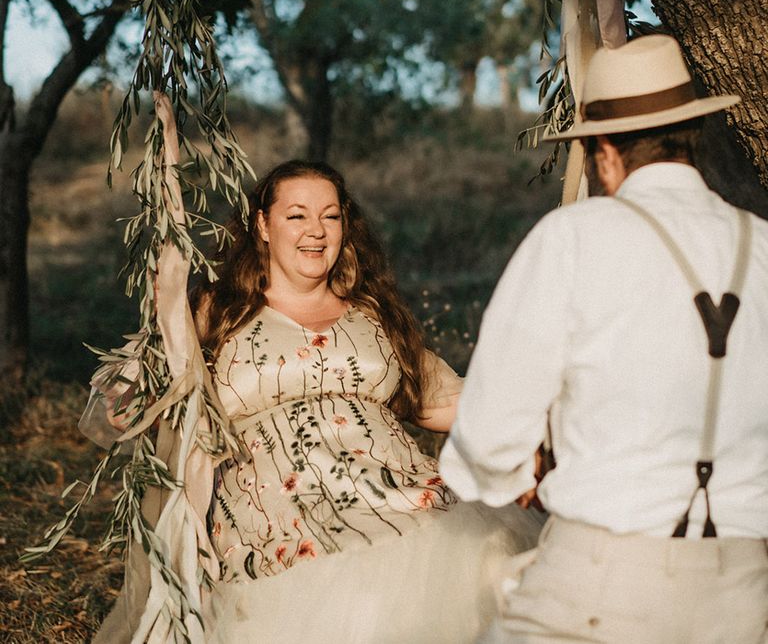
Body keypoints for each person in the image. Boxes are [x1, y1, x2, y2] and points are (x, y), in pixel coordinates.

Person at [93, 94, 543, 643]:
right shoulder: (215, 311)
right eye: (297, 215)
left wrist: (539, 420)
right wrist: (128, 402)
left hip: (395, 494)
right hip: (279, 517)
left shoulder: (372, 315)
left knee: (480, 569)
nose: (316, 230)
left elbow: (444, 401)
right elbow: (136, 386)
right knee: (349, 603)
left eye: (331, 216)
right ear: (262, 225)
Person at [439, 34, 768, 643]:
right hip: (743, 589)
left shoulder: (575, 238)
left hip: (604, 578)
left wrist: (514, 480)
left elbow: (487, 436)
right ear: (687, 138)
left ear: (606, 153)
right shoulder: (763, 246)